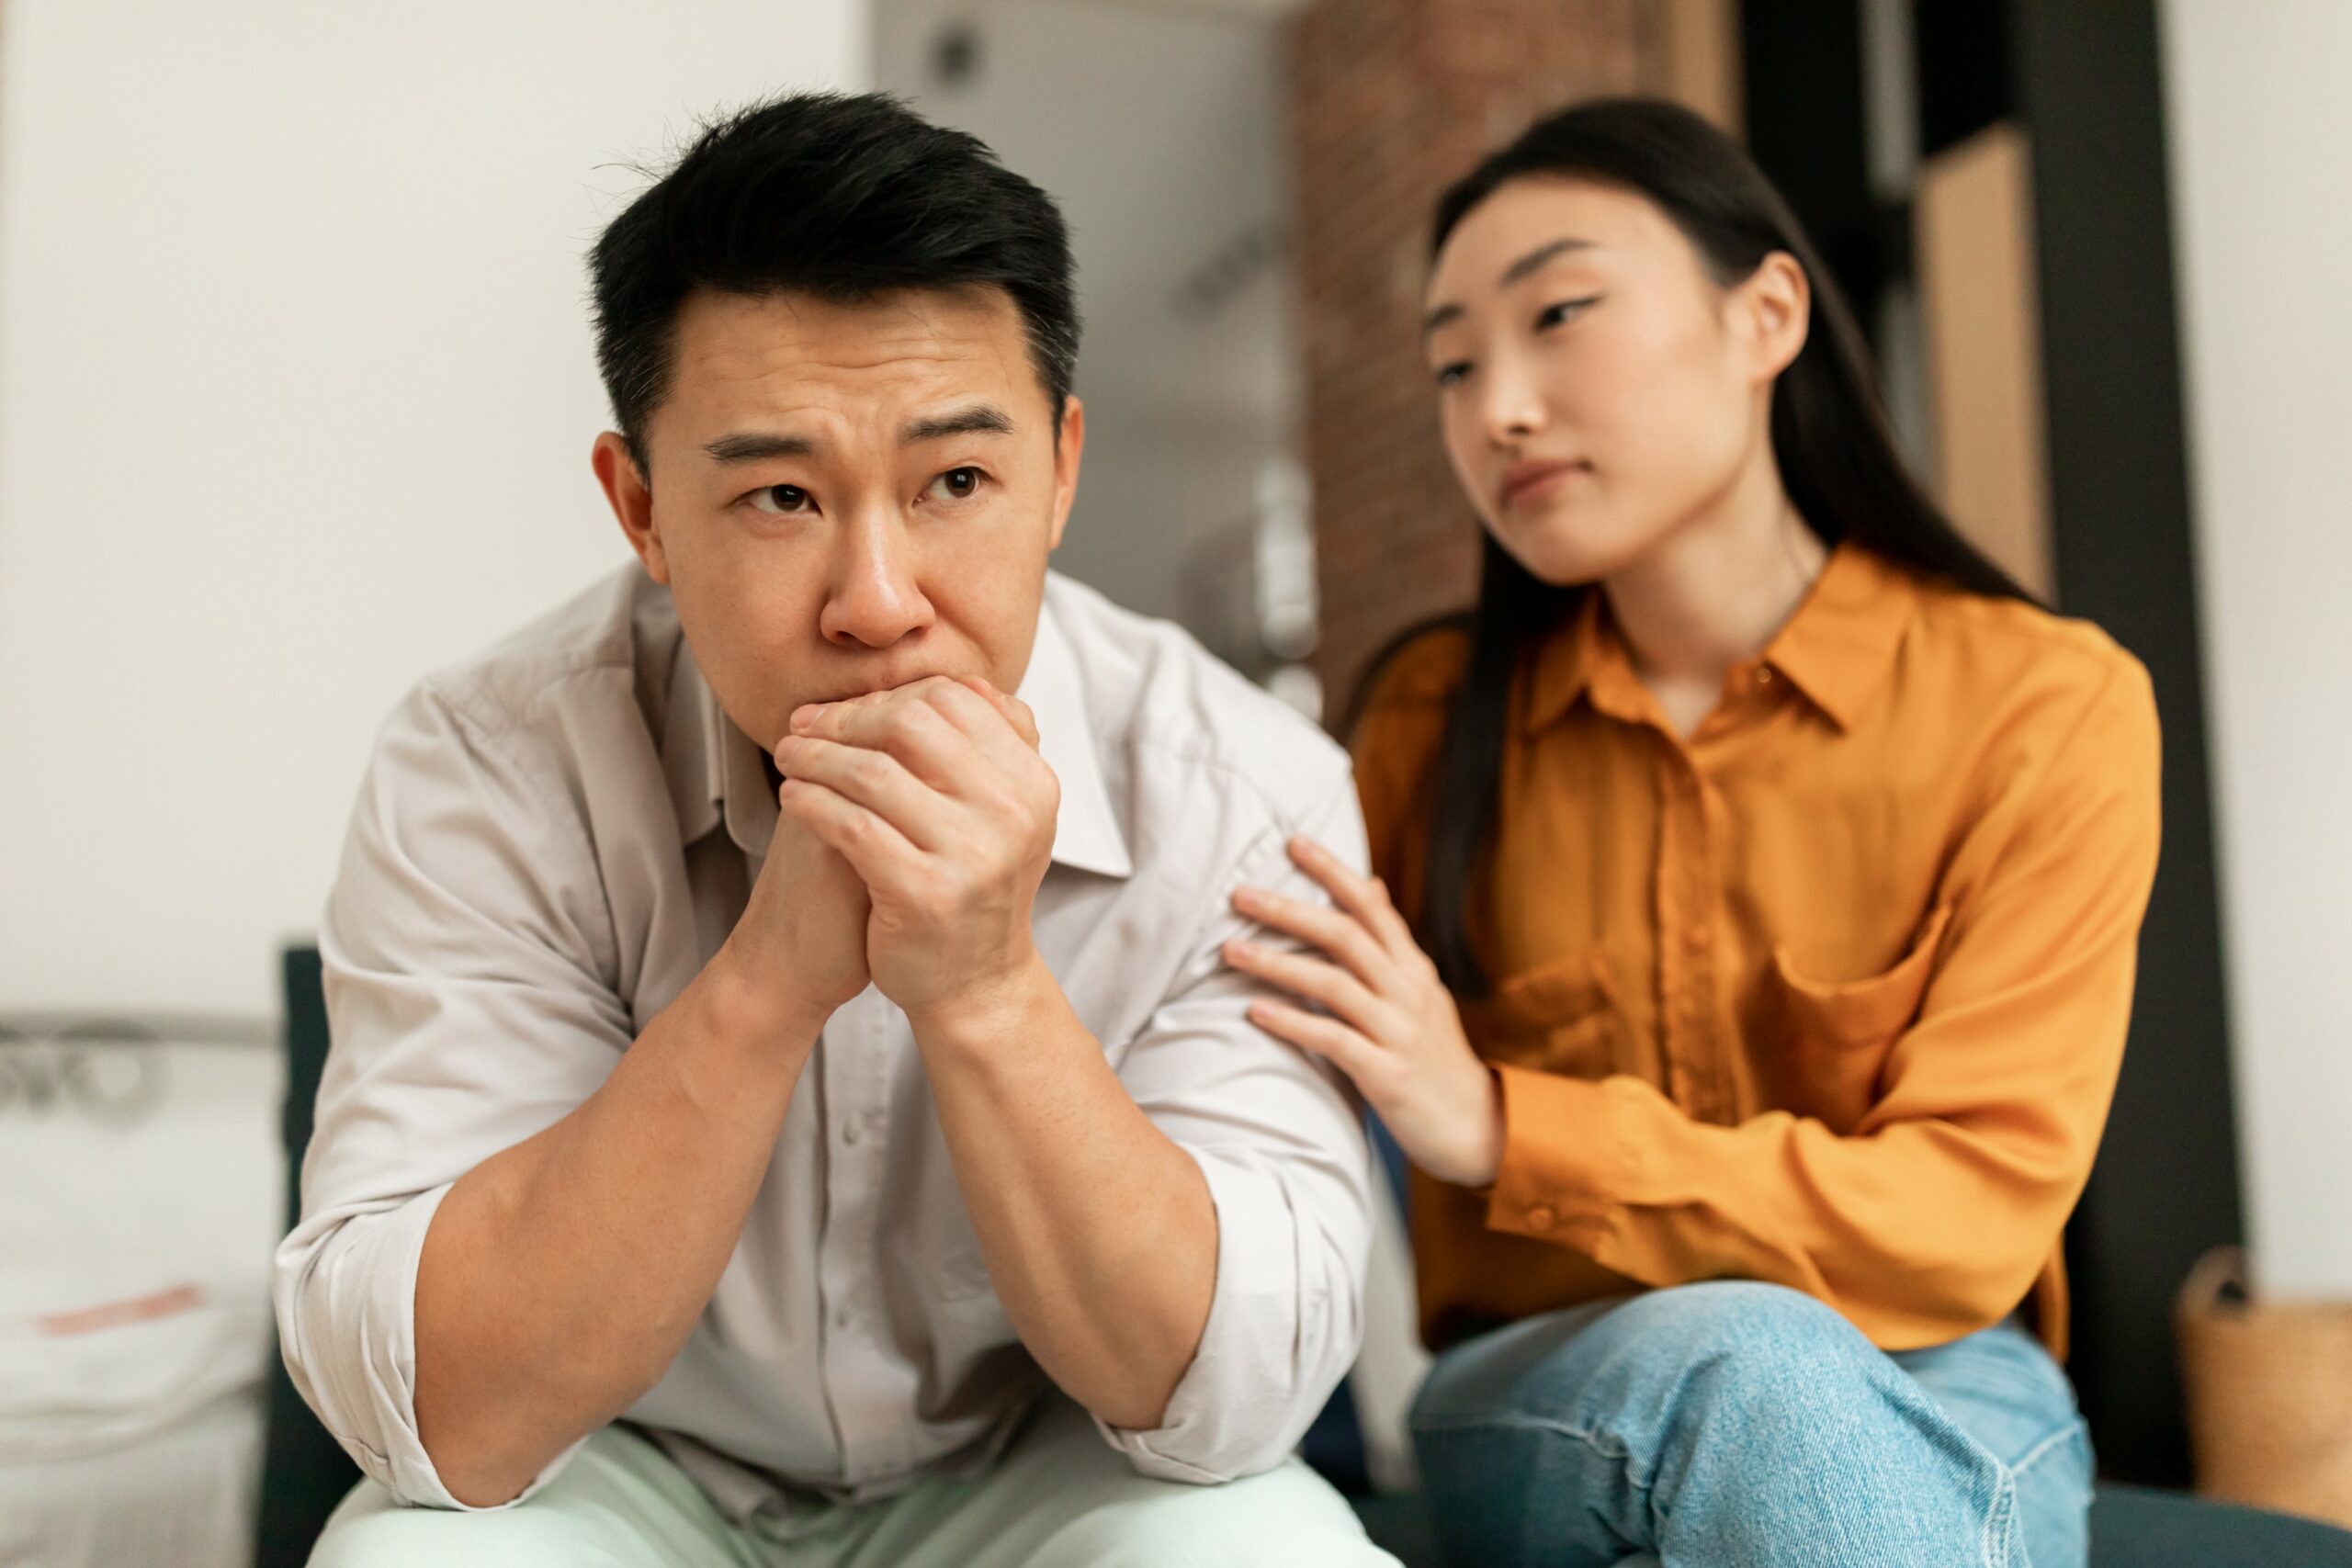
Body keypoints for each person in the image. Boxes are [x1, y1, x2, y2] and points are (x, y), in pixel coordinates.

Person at [275, 91, 1396, 1567]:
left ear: (1059, 472)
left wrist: (989, 990)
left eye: (956, 483)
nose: (876, 599)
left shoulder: (1246, 786)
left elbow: (1230, 1400)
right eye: (783, 494)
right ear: (643, 510)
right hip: (626, 1475)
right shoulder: (483, 765)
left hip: (1043, 1474)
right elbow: (439, 1416)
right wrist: (765, 984)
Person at [1225, 98, 2157, 1567]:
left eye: (1561, 315)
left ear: (1765, 314)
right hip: (1547, 1382)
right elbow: (1245, 1081)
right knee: (1753, 1369)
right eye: (1454, 364)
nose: (1497, 409)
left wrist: (1501, 1126)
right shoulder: (1424, 722)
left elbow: (1968, 1213)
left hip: (1949, 1365)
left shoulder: (2045, 706)